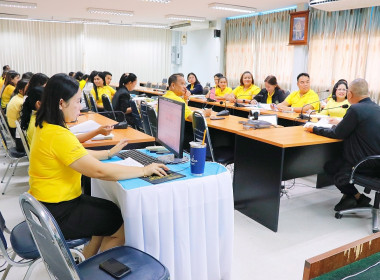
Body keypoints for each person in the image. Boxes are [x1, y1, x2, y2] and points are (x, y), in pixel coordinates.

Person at [29, 73, 168, 258]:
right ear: (61, 103)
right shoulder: (58, 135)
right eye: (78, 101)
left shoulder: (46, 126)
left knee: (107, 213)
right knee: (119, 225)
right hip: (59, 211)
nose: (81, 106)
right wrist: (144, 170)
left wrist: (109, 153)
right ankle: (98, 271)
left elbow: (77, 155)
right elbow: (98, 171)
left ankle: (86, 262)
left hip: (47, 205)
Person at [305, 79, 380, 211]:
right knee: (337, 162)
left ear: (349, 94)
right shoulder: (376, 108)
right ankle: (355, 197)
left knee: (330, 167)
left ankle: (355, 197)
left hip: (362, 163)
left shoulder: (356, 109)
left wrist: (314, 129)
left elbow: (337, 134)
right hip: (376, 162)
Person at [6, 79, 28, 144]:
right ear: (20, 90)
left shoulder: (16, 97)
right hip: (16, 132)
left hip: (12, 128)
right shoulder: (21, 102)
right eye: (28, 88)